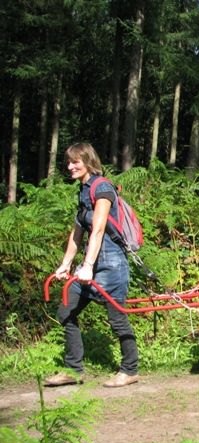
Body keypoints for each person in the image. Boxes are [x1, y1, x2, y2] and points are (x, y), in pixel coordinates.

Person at [45, 143, 140, 388]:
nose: (70, 167)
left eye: (75, 162)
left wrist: (87, 265)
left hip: (110, 263)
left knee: (117, 319)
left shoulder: (102, 187)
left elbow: (98, 228)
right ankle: (74, 370)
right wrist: (65, 265)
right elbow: (77, 234)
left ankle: (130, 369)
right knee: (66, 311)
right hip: (92, 264)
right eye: (68, 162)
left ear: (87, 161)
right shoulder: (83, 191)